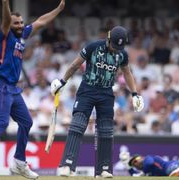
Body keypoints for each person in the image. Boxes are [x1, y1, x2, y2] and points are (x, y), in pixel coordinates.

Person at [0, 0, 65, 179]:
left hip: (13, 88)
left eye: (22, 22)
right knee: (1, 121)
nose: (20, 25)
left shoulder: (23, 35)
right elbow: (6, 20)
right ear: (10, 24)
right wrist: (5, 3)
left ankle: (19, 163)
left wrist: (58, 9)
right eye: (17, 23)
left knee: (27, 122)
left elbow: (41, 21)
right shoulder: (5, 34)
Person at [50, 26, 144, 178]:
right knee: (78, 125)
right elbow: (75, 65)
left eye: (119, 47)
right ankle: (67, 165)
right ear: (108, 39)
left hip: (106, 93)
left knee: (106, 131)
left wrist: (134, 94)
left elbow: (127, 73)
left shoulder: (122, 54)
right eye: (114, 45)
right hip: (87, 90)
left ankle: (104, 169)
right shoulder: (93, 47)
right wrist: (62, 81)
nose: (116, 49)